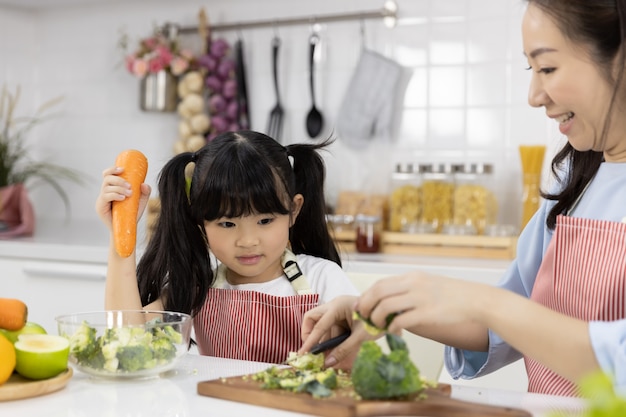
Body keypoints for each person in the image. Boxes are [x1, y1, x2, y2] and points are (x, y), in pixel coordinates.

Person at [299, 0, 626, 397]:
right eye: (531, 70)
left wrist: (482, 302)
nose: (534, 95)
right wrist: (382, 307)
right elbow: (509, 320)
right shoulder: (577, 182)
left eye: (548, 68)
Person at [96, 130, 359, 364]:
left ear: (294, 210)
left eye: (265, 220)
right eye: (227, 224)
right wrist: (120, 230)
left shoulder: (323, 279)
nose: (247, 240)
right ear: (201, 223)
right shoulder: (198, 285)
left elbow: (358, 360)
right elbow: (127, 339)